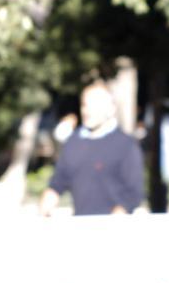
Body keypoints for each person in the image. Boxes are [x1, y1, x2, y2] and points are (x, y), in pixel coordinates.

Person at [39, 83, 145, 216]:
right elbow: (57, 184)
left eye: (95, 105)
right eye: (84, 104)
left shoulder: (126, 145)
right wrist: (44, 211)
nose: (87, 110)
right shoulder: (73, 142)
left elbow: (133, 194)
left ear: (111, 109)